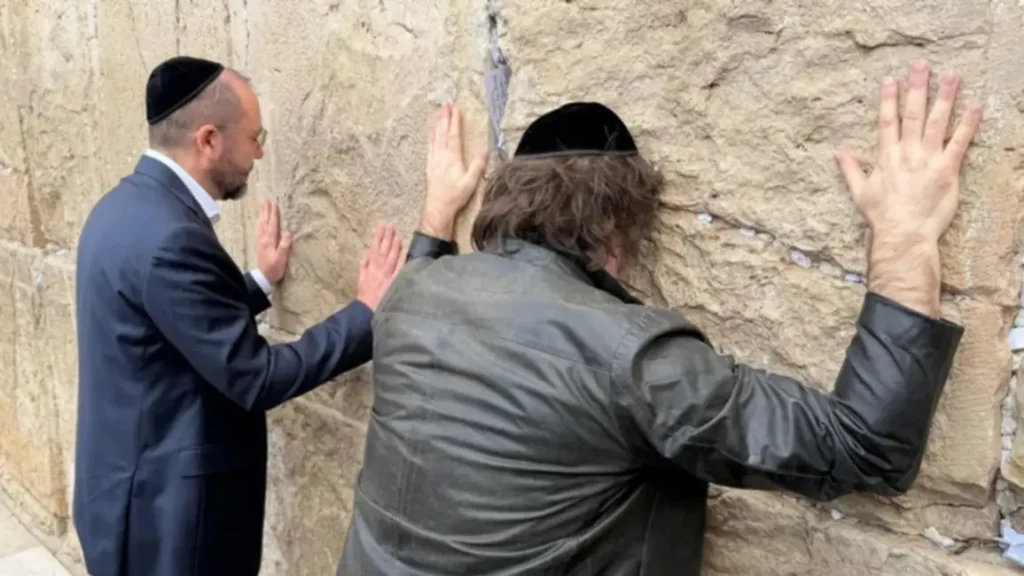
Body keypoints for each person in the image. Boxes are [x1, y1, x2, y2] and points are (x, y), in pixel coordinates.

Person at [337, 61, 984, 575]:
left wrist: (436, 215)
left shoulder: (408, 295)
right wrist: (904, 239)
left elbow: (420, 280)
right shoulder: (631, 357)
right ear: (617, 229)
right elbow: (864, 448)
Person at [72, 55, 403, 576]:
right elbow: (256, 377)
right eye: (254, 137)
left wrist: (259, 281)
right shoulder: (172, 236)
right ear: (208, 139)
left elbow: (169, 320)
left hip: (123, 495)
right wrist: (364, 313)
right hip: (170, 521)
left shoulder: (120, 208)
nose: (260, 153)